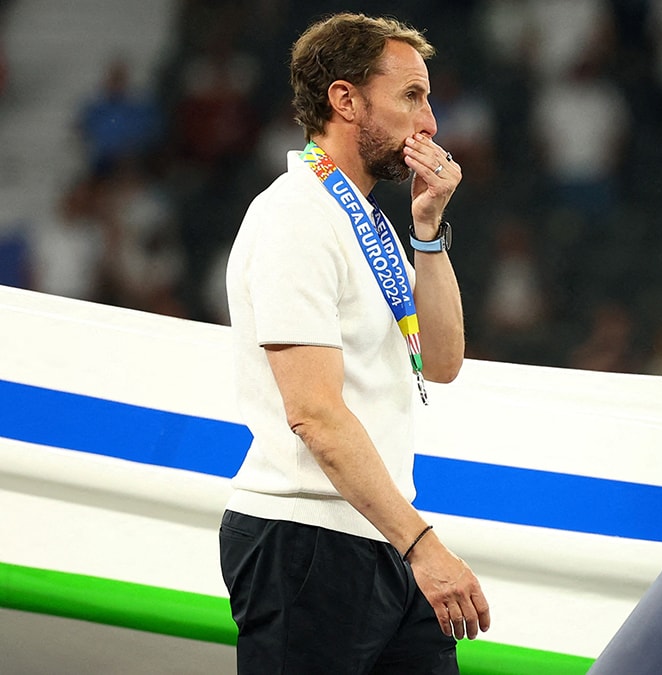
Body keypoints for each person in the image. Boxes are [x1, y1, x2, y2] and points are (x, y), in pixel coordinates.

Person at [219, 13, 489, 674]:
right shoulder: (296, 216)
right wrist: (424, 547)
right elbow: (314, 412)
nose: (430, 123)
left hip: (382, 533)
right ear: (345, 99)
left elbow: (443, 361)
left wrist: (428, 229)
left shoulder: (366, 222)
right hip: (305, 538)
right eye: (411, 96)